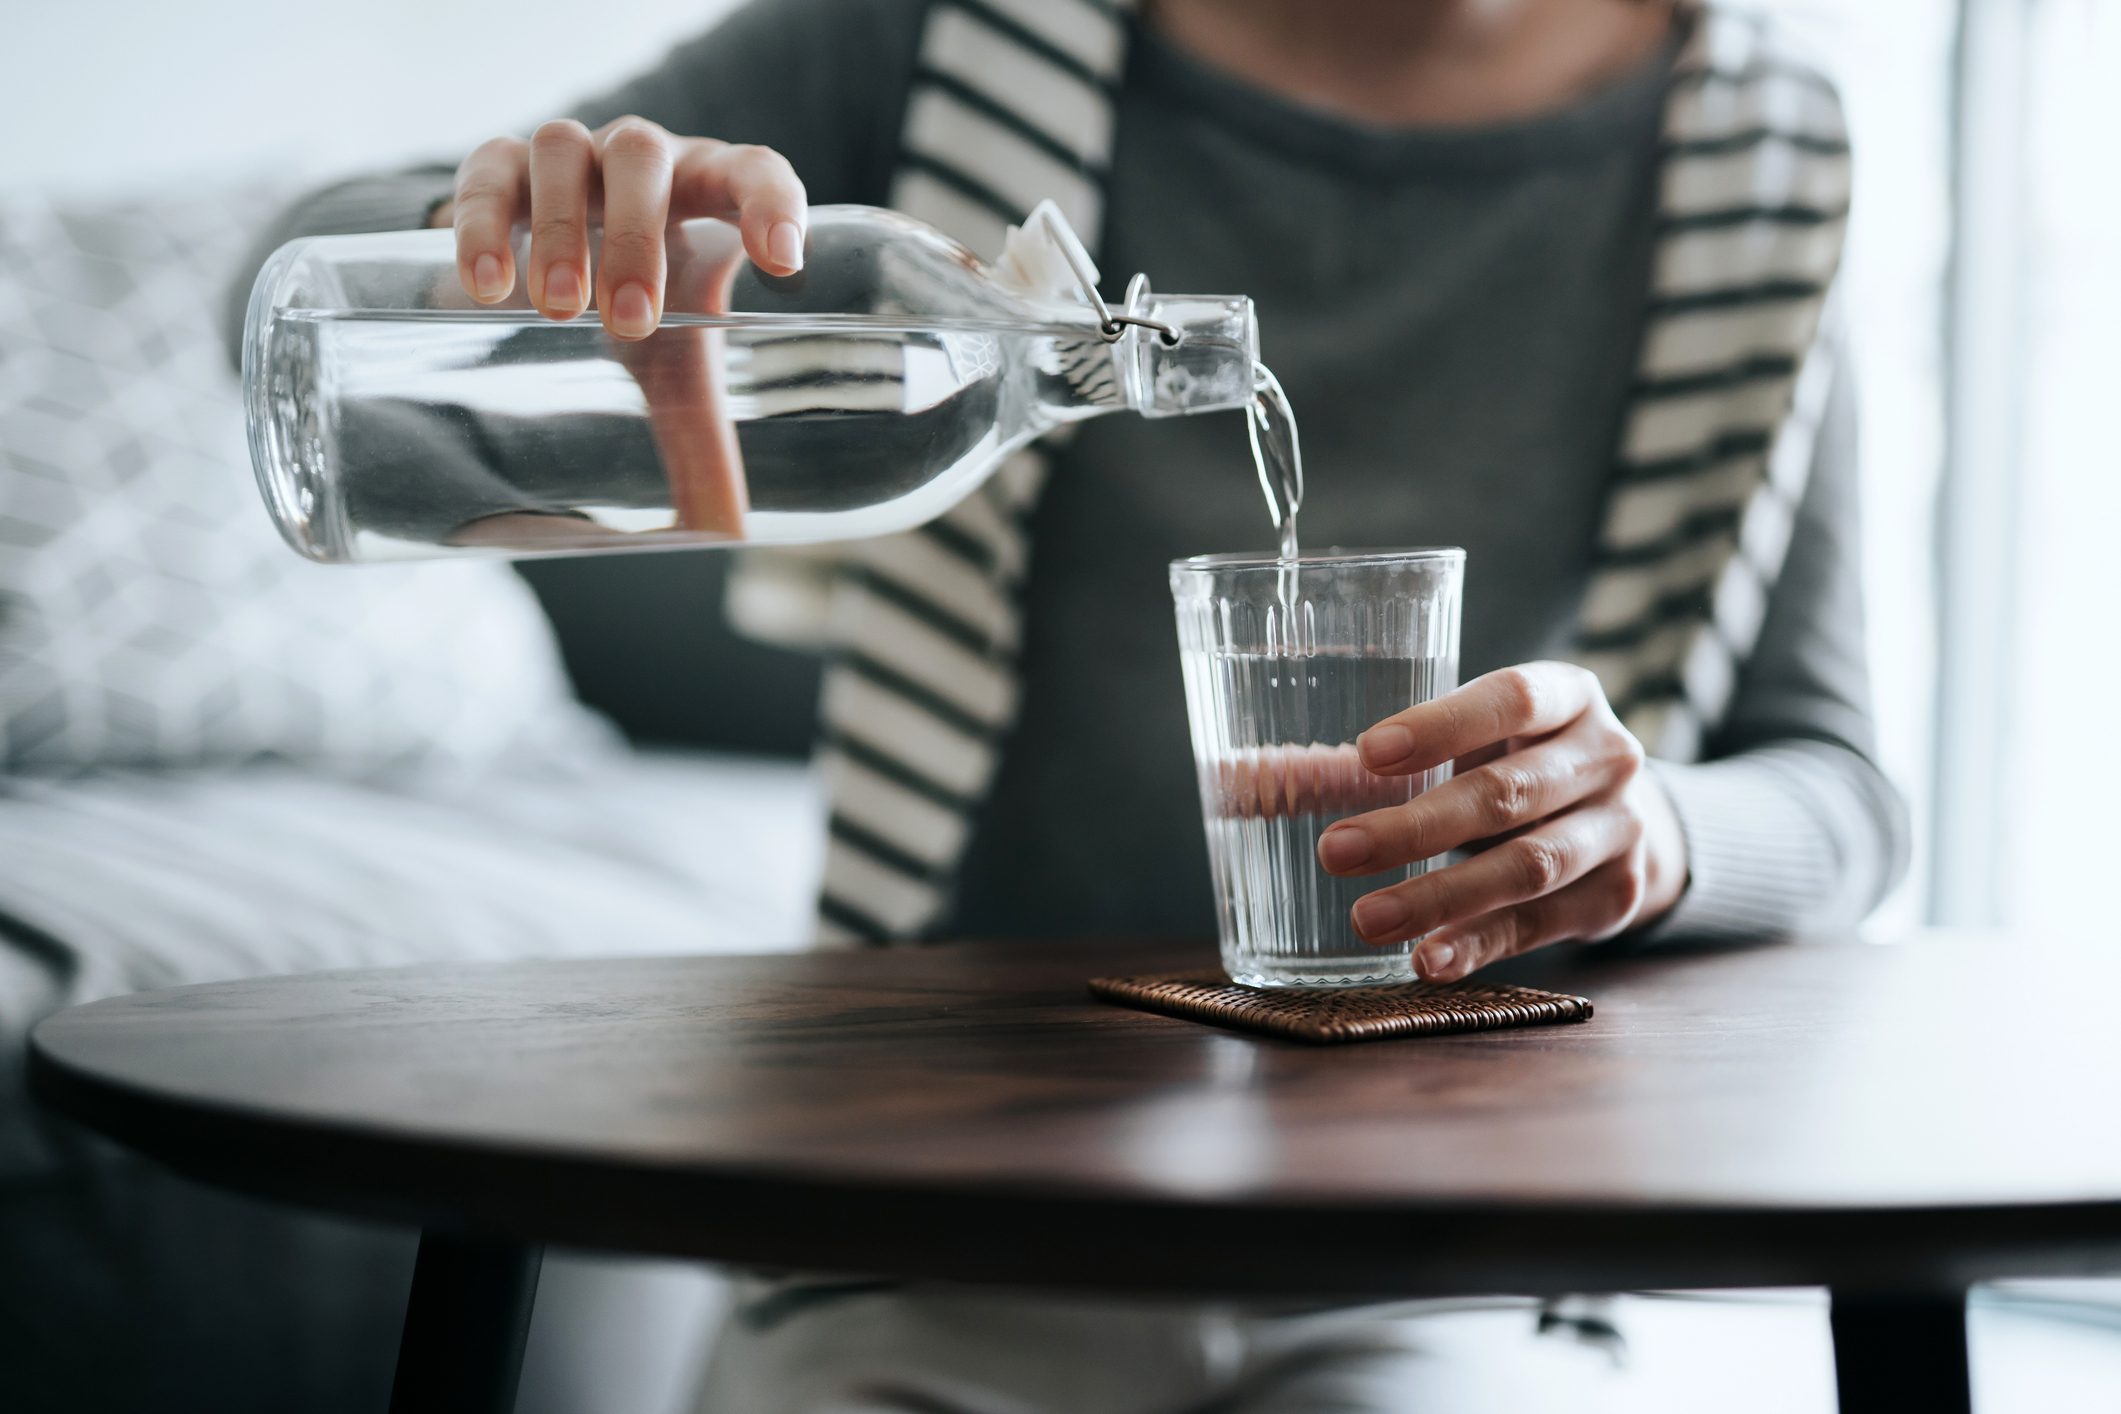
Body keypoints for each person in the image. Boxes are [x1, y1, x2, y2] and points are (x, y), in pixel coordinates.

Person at [241, 0, 1909, 1406]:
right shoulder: (953, 34)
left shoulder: (1751, 147)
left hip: (1454, 1239)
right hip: (935, 1207)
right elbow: (285, 284)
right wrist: (525, 238)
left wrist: (1648, 826)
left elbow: (1839, 786)